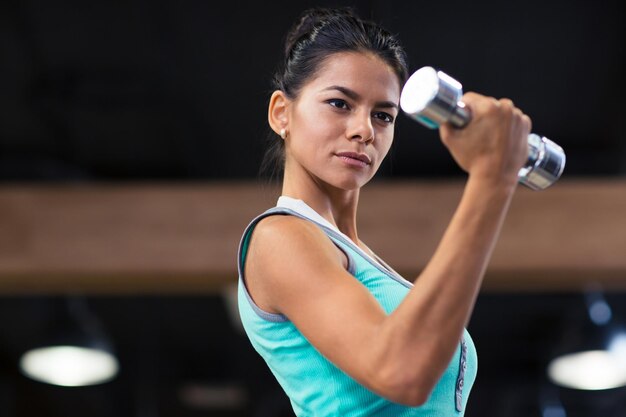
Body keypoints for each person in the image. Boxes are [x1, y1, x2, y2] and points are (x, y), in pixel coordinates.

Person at [237, 7, 529, 416]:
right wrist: (492, 179)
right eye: (339, 103)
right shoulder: (279, 238)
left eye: (383, 115)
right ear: (281, 113)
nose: (364, 130)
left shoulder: (361, 260)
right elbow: (400, 371)